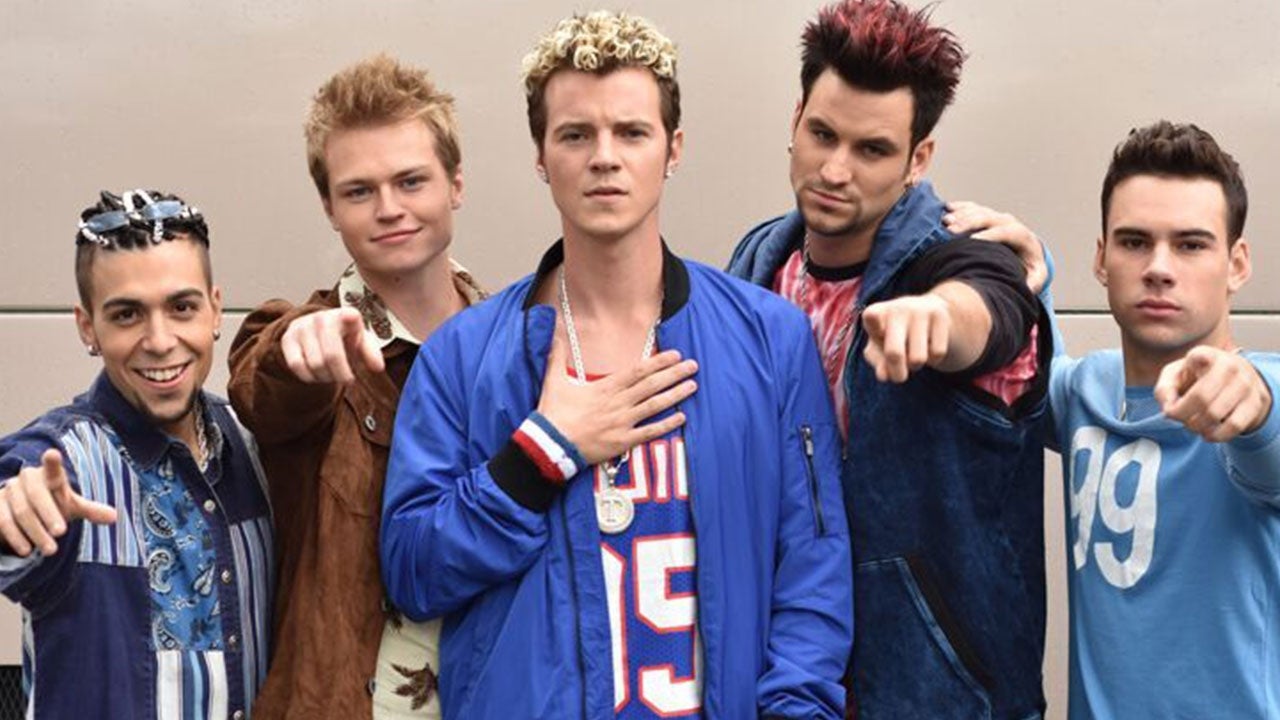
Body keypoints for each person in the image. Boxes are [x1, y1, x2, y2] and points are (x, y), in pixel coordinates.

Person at [381, 10, 852, 719]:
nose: (604, 157)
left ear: (673, 148)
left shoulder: (769, 340)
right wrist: (540, 455)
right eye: (576, 134)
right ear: (541, 156)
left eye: (631, 132)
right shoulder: (462, 357)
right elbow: (413, 573)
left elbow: (812, 575)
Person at [726, 0, 1053, 717]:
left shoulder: (961, 255)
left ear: (918, 158)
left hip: (933, 695)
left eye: (872, 150)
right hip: (781, 681)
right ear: (795, 120)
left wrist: (937, 318)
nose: (835, 169)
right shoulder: (755, 263)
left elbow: (993, 309)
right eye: (822, 134)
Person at [228, 55, 484, 719]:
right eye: (359, 191)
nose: (390, 209)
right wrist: (299, 349)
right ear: (329, 207)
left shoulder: (515, 341)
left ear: (456, 184)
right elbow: (263, 388)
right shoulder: (313, 337)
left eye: (411, 181)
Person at [0, 189, 273, 719]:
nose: (160, 340)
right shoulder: (66, 460)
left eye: (182, 307)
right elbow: (17, 482)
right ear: (88, 327)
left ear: (216, 309)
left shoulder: (253, 444)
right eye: (127, 315)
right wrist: (15, 507)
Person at [1050, 121, 1278, 719]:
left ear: (1237, 264)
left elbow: (1265, 417)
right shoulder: (1083, 390)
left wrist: (1256, 399)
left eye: (1191, 245)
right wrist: (1025, 272)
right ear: (1101, 258)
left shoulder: (1253, 395)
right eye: (1133, 242)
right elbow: (1019, 366)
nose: (1158, 267)